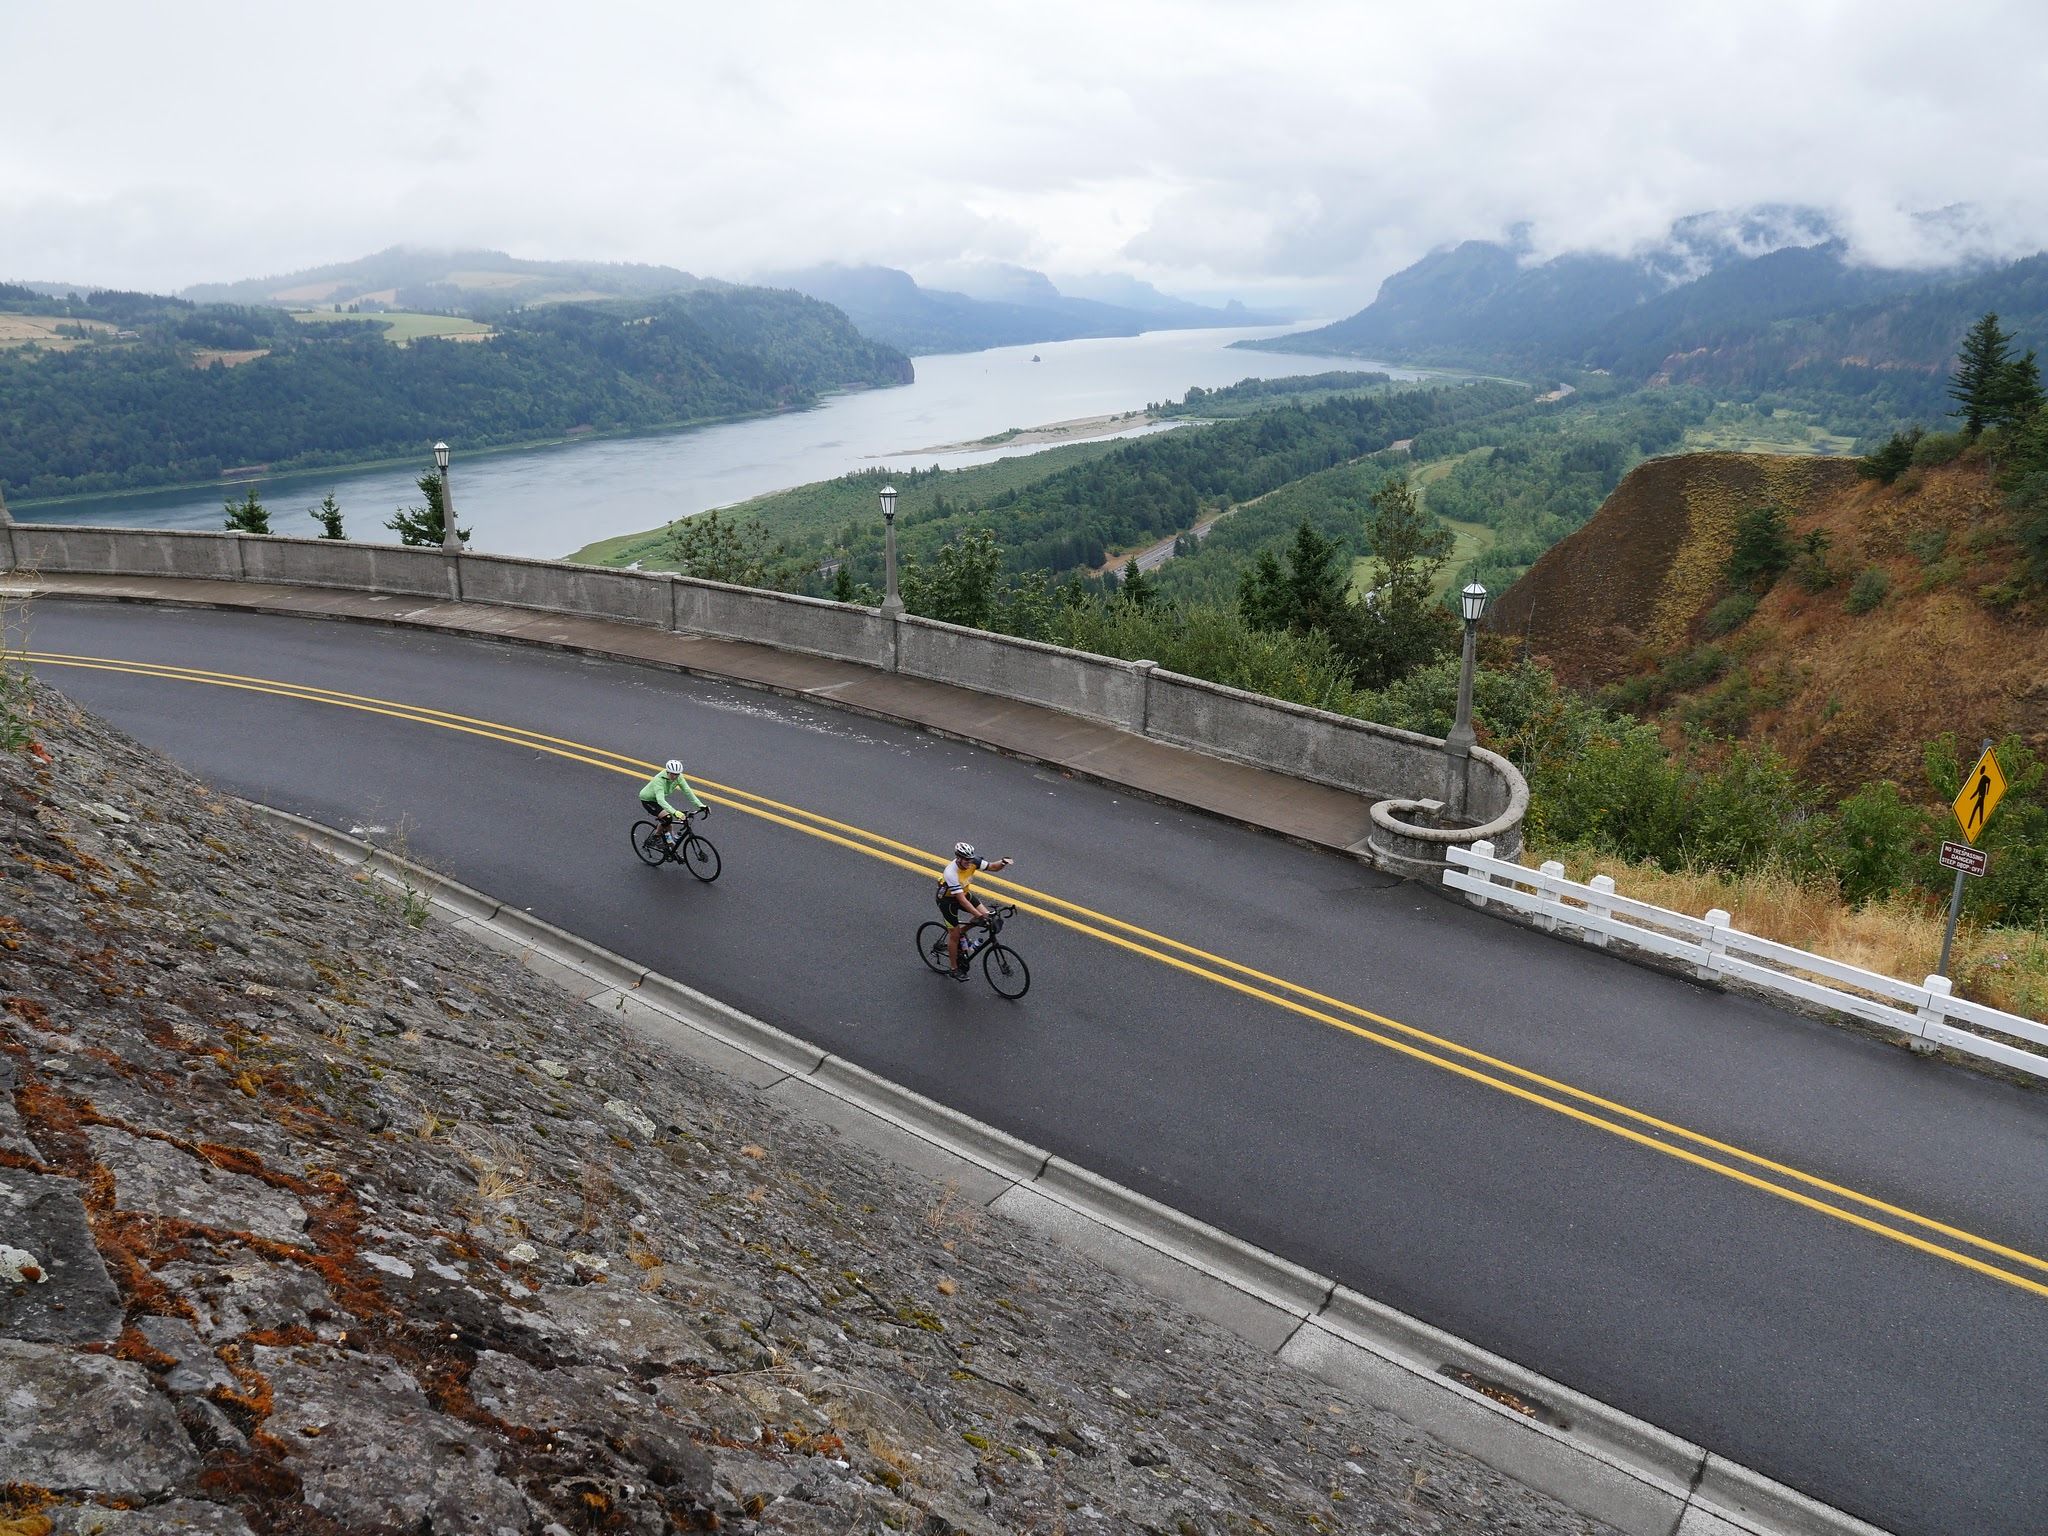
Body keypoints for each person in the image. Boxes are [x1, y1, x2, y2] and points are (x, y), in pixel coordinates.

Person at [935, 841, 1013, 980]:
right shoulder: (951, 872)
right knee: (954, 935)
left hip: (964, 893)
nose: (968, 862)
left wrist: (1003, 862)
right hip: (947, 901)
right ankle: (954, 968)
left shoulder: (973, 861)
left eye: (970, 859)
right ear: (958, 858)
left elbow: (992, 867)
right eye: (965, 859)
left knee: (985, 915)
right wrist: (979, 916)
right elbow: (962, 901)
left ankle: (962, 932)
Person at [639, 759, 708, 850]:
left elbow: (687, 791)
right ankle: (655, 838)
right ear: (667, 771)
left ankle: (670, 843)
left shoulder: (679, 777)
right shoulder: (659, 780)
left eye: (677, 774)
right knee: (667, 818)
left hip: (658, 799)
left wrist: (701, 805)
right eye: (672, 774)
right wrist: (675, 812)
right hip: (648, 800)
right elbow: (661, 801)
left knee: (668, 823)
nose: (675, 776)